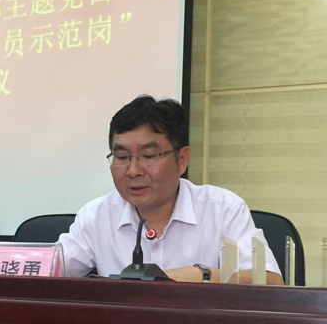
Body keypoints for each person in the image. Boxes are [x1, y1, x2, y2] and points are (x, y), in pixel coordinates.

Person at [59, 95, 283, 284]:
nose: (133, 171)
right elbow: (50, 268)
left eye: (148, 156)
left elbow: (271, 282)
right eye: (122, 157)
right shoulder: (96, 215)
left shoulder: (223, 210)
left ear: (182, 160)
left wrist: (200, 275)